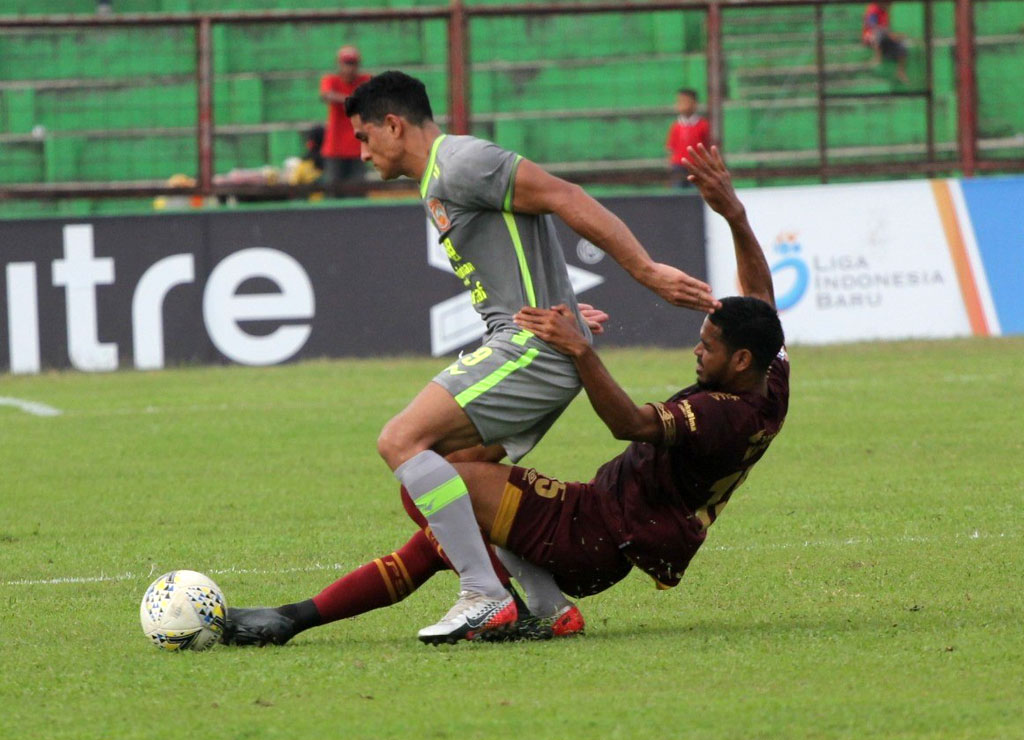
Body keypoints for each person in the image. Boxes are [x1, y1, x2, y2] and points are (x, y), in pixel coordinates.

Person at [222, 144, 788, 647]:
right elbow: (760, 302)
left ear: (740, 361)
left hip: (591, 535)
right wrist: (734, 215)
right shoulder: (769, 382)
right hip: (595, 525)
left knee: (431, 480)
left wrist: (579, 349)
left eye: (707, 346)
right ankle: (304, 617)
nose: (697, 350)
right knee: (441, 492)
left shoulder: (721, 416)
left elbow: (632, 425)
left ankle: (497, 598)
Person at [315, 70, 718, 644]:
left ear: (394, 125)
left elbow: (564, 196)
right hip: (537, 342)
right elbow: (521, 251)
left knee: (399, 441)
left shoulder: (462, 163)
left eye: (362, 136)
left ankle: (482, 593)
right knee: (449, 475)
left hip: (529, 350)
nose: (359, 150)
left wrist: (646, 271)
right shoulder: (439, 177)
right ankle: (550, 607)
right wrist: (570, 312)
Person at [319, 45, 371, 195]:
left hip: (358, 149)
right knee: (332, 193)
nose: (349, 68)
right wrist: (352, 100)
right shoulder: (331, 80)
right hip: (334, 149)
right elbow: (326, 95)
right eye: (346, 63)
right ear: (339, 64)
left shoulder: (365, 80)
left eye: (352, 63)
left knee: (358, 194)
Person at [666, 88, 710, 189]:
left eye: (685, 102)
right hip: (678, 167)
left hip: (697, 167)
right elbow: (671, 148)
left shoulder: (703, 125)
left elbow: (708, 146)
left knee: (696, 193)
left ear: (694, 104)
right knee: (677, 195)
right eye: (679, 102)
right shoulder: (676, 126)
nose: (681, 105)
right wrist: (670, 168)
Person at [863, 2, 908, 84]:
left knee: (903, 43)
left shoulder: (885, 12)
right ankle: (877, 58)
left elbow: (887, 29)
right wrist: (889, 34)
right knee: (878, 32)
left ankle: (900, 72)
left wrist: (894, 37)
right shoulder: (873, 8)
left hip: (884, 38)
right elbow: (872, 26)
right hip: (870, 36)